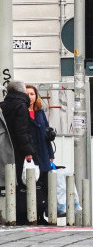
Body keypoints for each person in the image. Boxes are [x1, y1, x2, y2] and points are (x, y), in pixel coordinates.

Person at [1, 81, 37, 223]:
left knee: (7, 182)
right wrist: (29, 152)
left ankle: (7, 214)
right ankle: (20, 216)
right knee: (21, 183)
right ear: (22, 92)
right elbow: (22, 131)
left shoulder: (3, 106)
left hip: (4, 150)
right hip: (19, 151)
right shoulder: (21, 106)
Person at [25, 84, 55, 218]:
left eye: (32, 94)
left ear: (36, 96)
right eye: (27, 94)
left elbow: (47, 133)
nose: (29, 97)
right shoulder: (21, 112)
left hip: (43, 152)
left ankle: (42, 214)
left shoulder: (40, 112)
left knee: (44, 185)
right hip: (29, 154)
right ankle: (32, 215)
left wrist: (50, 154)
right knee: (31, 184)